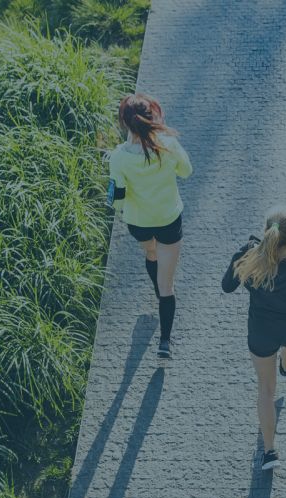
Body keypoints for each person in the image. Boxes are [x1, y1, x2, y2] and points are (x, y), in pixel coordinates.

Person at [222, 207, 286, 470]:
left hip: (261, 331)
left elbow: (227, 286)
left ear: (267, 231)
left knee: (266, 390)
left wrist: (241, 252)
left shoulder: (251, 256)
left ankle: (269, 452)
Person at [109, 93, 192, 358]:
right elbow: (186, 171)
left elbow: (117, 198)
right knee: (168, 286)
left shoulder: (118, 158)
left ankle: (157, 292)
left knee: (151, 253)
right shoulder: (168, 145)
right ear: (152, 117)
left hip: (139, 223)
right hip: (168, 219)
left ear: (125, 123)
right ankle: (164, 342)